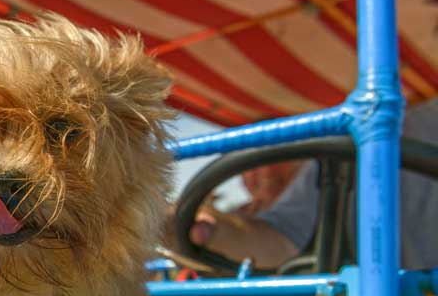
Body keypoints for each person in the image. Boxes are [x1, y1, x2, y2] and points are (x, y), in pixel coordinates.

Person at [187, 98, 438, 271]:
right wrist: (205, 228)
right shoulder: (381, 135)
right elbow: (282, 241)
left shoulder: (379, 133)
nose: (261, 172)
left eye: (275, 152)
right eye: (248, 157)